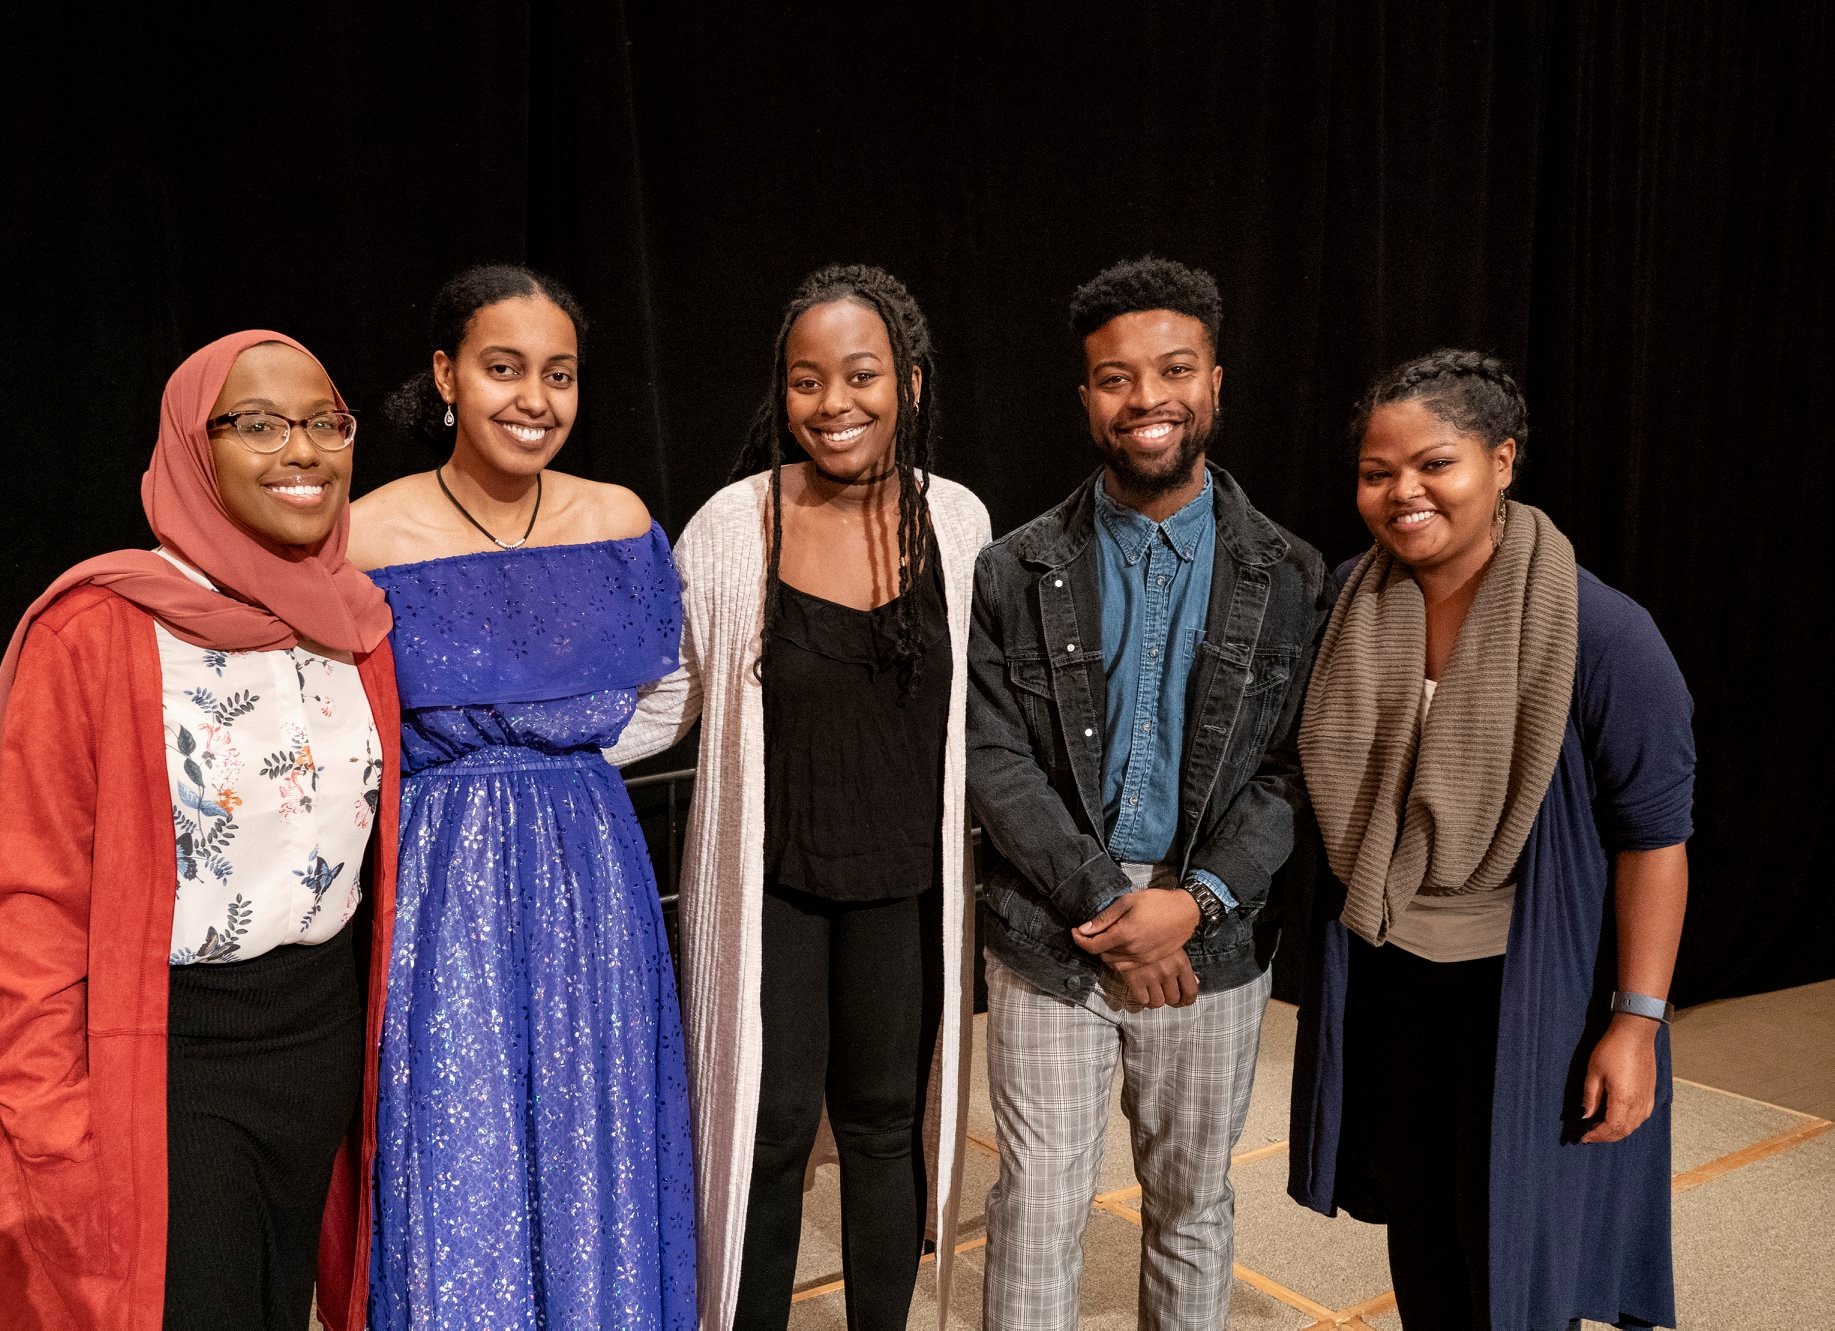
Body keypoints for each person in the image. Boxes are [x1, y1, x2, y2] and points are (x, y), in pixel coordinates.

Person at [0, 331, 398, 1331]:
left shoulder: (356, 624)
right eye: (258, 423)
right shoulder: (100, 628)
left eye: (323, 423)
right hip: (170, 1057)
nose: (302, 449)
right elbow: (31, 902)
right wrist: (49, 1121)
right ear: (193, 449)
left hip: (320, 1045)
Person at [609, 263, 991, 1329]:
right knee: (766, 1135)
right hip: (771, 884)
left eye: (860, 375)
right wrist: (528, 747)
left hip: (904, 885)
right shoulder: (733, 525)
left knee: (883, 1126)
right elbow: (669, 690)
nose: (835, 404)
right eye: (806, 380)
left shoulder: (955, 522)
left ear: (908, 384)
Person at [1287, 350, 1694, 1330]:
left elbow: (1656, 840)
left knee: (1515, 1254)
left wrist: (1634, 1023)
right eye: (1378, 472)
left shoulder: (1602, 632)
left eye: (1435, 463)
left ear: (1502, 460)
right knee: (1422, 1235)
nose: (1402, 492)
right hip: (1392, 975)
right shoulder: (1347, 602)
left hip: (1530, 996)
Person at [965, 257, 1327, 1331]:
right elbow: (994, 758)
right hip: (1044, 923)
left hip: (1211, 936)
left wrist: (1196, 898)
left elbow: (1291, 771)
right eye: (1115, 378)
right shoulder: (1013, 568)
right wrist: (1114, 909)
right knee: (1034, 1205)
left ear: (1215, 380)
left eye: (1174, 369)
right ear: (1086, 399)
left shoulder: (1293, 573)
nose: (1147, 398)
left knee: (1193, 1205)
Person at [346, 263, 697, 1329]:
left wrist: (567, 761)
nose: (534, 399)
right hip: (442, 879)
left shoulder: (617, 516)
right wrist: (455, 780)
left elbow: (672, 685)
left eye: (560, 374)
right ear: (447, 375)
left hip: (593, 870)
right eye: (504, 369)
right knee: (460, 1135)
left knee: (597, 1127)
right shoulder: (366, 531)